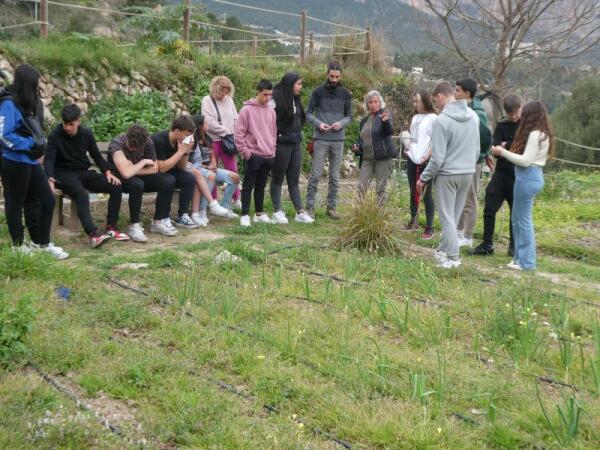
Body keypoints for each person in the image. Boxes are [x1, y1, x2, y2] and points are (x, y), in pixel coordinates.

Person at [0, 63, 68, 259]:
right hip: (14, 161)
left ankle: (42, 243)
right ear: (27, 83)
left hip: (30, 161)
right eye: (35, 83)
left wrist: (37, 145)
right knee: (15, 203)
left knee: (47, 200)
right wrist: (31, 143)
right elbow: (3, 135)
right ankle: (18, 246)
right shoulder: (8, 104)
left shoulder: (26, 102)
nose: (38, 87)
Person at [44, 104, 128, 248]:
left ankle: (111, 227)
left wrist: (108, 172)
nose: (67, 127)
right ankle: (93, 235)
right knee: (81, 194)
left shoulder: (86, 133)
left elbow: (96, 156)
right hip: (63, 174)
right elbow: (49, 159)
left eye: (71, 124)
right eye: (65, 123)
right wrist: (49, 177)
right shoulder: (54, 136)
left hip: (83, 172)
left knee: (116, 185)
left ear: (78, 121)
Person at [416, 82, 480, 269]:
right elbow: (476, 149)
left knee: (447, 216)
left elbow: (437, 159)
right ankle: (444, 250)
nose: (435, 105)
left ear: (442, 97)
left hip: (447, 174)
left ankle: (453, 258)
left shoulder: (442, 121)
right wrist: (467, 166)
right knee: (455, 214)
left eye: (435, 101)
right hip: (467, 172)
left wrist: (423, 178)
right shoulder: (474, 117)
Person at [491, 101, 553, 271]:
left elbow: (525, 161)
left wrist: (502, 152)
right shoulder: (543, 133)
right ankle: (519, 259)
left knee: (522, 221)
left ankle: (526, 263)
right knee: (518, 220)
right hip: (532, 177)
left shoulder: (534, 134)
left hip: (527, 177)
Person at [470, 95, 521, 256]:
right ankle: (487, 244)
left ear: (520, 108)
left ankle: (513, 246)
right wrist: (507, 147)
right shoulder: (502, 124)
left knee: (516, 213)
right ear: (507, 112)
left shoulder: (526, 125)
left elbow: (524, 148)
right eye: (511, 114)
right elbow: (496, 149)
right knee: (489, 208)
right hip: (501, 172)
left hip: (518, 174)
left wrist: (507, 146)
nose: (514, 117)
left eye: (516, 113)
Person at [107, 124, 177, 242]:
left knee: (168, 181)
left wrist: (132, 168)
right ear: (127, 138)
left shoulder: (147, 141)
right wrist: (143, 161)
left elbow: (154, 169)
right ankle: (134, 225)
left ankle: (157, 222)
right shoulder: (117, 144)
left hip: (138, 174)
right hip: (119, 177)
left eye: (137, 148)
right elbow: (125, 174)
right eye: (131, 147)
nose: (134, 149)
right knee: (137, 184)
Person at [305, 61, 352, 220]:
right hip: (321, 138)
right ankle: (309, 207)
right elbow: (309, 113)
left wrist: (342, 123)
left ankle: (331, 207)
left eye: (337, 77)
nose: (333, 79)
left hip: (338, 140)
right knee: (316, 174)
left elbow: (350, 116)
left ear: (341, 76)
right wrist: (318, 124)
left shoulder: (346, 94)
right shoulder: (317, 92)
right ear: (327, 74)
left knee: (334, 176)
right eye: (331, 76)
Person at [270, 72, 313, 224]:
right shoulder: (274, 98)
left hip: (295, 143)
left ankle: (299, 212)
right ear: (290, 84)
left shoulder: (296, 99)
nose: (300, 87)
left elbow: (300, 119)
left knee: (293, 179)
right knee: (277, 178)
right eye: (298, 84)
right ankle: (277, 210)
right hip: (281, 143)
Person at [454, 78, 493, 248]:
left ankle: (468, 236)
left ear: (467, 93)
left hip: (472, 161)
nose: (454, 93)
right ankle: (457, 231)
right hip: (461, 159)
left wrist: (483, 154)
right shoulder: (464, 108)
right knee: (459, 197)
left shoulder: (477, 112)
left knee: (470, 198)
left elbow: (485, 135)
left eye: (457, 90)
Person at [234, 79, 277, 227]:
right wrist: (246, 153)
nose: (268, 98)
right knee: (248, 185)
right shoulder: (246, 110)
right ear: (258, 92)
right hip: (253, 154)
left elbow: (273, 132)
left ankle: (259, 213)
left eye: (270, 95)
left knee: (261, 185)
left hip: (268, 154)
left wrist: (273, 149)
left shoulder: (271, 111)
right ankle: (245, 215)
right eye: (265, 94)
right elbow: (238, 135)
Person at [152, 115, 206, 229]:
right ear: (177, 131)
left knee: (189, 178)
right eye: (187, 135)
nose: (189, 138)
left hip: (171, 171)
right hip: (154, 173)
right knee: (169, 180)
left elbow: (181, 167)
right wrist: (180, 151)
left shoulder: (181, 141)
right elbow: (162, 168)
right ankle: (163, 217)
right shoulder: (159, 140)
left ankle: (183, 215)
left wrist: (185, 152)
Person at [189, 114, 239, 226]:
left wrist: (214, 165)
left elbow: (212, 155)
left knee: (235, 177)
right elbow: (191, 162)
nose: (208, 125)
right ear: (200, 126)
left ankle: (224, 207)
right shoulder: (193, 140)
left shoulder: (208, 138)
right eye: (206, 123)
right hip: (199, 170)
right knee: (211, 175)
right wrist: (208, 168)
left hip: (210, 169)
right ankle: (202, 210)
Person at [201, 75, 241, 209]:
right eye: (222, 90)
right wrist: (225, 131)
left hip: (228, 141)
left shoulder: (229, 100)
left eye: (226, 90)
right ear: (215, 88)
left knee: (233, 169)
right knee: (212, 170)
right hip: (213, 140)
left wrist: (234, 133)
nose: (224, 93)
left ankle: (236, 199)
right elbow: (208, 122)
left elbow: (236, 118)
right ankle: (213, 201)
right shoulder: (207, 100)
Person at [355, 90, 397, 205]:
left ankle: (380, 217)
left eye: (375, 102)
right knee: (361, 187)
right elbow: (361, 137)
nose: (373, 105)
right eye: (370, 102)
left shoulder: (385, 115)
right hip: (366, 159)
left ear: (380, 103)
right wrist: (357, 145)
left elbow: (389, 131)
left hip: (382, 158)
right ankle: (359, 215)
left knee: (380, 189)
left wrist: (385, 122)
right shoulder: (364, 120)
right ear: (367, 104)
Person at [405, 89, 437, 239]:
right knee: (413, 190)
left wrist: (427, 155)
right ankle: (413, 221)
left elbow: (435, 141)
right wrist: (408, 148)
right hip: (412, 158)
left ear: (425, 100)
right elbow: (414, 138)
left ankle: (429, 227)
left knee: (426, 193)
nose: (415, 104)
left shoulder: (433, 118)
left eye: (417, 101)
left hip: (425, 160)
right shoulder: (415, 117)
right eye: (413, 101)